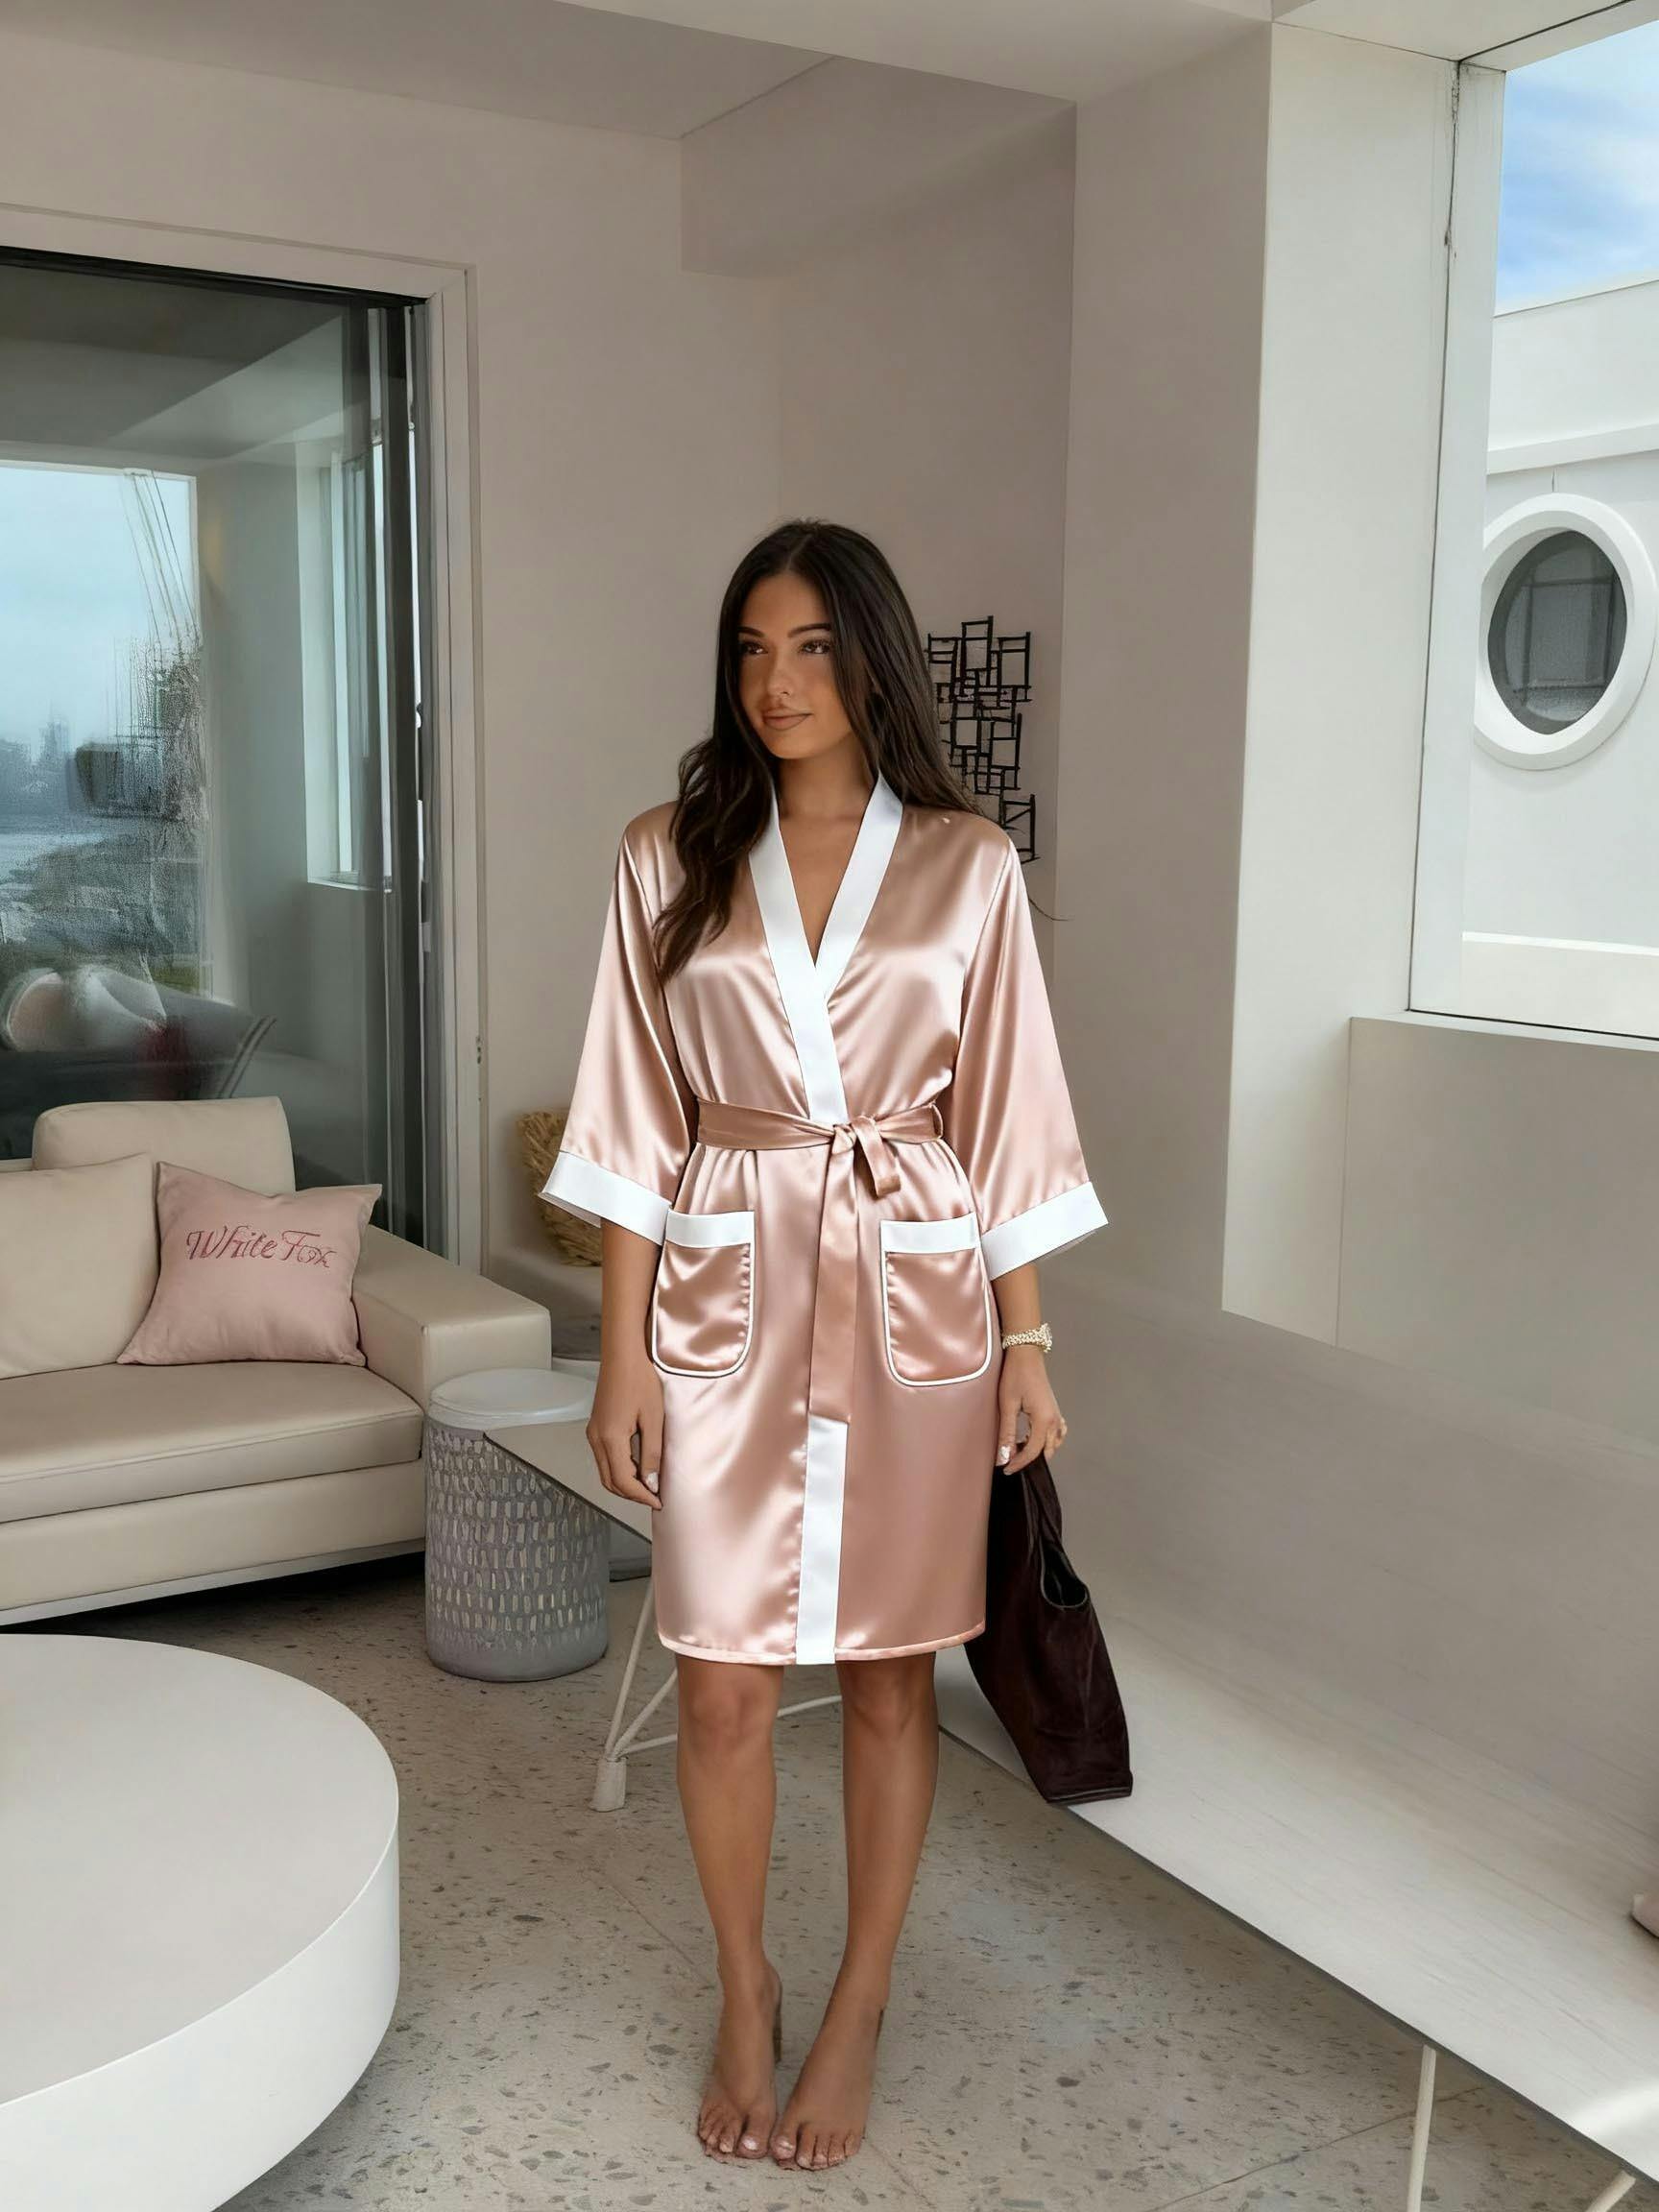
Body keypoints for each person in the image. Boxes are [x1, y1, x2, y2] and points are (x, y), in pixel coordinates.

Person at [541, 519, 1108, 2171]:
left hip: (913, 1285)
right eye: (750, 649)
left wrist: (1026, 1339)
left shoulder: (967, 865)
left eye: (808, 648)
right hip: (725, 1278)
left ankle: (859, 1999)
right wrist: (621, 1352)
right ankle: (747, 1984)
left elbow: (1006, 1115)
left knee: (885, 1675)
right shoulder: (667, 854)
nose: (775, 683)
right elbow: (630, 1115)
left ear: (871, 659)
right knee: (719, 1685)